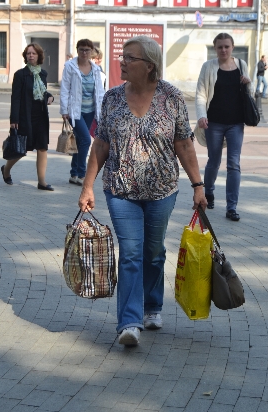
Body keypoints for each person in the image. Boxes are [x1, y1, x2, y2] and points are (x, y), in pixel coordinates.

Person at [78, 36, 207, 346]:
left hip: (162, 191)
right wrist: (87, 186)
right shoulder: (112, 99)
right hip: (120, 190)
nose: (122, 61)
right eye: (123, 57)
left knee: (153, 252)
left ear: (150, 66)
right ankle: (129, 322)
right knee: (132, 253)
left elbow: (184, 144)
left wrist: (198, 185)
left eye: (129, 58)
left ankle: (152, 305)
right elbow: (102, 144)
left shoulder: (172, 98)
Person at [195, 32, 253, 221]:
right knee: (213, 161)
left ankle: (231, 207)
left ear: (232, 47)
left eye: (227, 46)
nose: (223, 50)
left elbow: (248, 94)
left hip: (236, 123)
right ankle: (209, 192)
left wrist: (248, 83)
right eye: (220, 47)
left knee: (234, 164)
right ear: (215, 48)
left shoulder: (242, 66)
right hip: (214, 123)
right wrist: (202, 116)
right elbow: (201, 94)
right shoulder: (208, 66)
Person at [1, 43, 54, 190]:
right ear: (25, 56)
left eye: (33, 53)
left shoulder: (43, 74)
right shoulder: (20, 75)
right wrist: (14, 120)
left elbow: (42, 92)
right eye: (28, 53)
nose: (31, 55)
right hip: (26, 116)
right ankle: (6, 169)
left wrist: (50, 97)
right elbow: (16, 98)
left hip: (41, 116)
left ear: (39, 56)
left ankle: (42, 182)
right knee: (21, 148)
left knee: (42, 147)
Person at [60, 39, 105, 185]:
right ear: (77, 50)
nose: (84, 53)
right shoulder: (70, 66)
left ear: (92, 52)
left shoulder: (96, 69)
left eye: (87, 50)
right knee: (85, 140)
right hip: (75, 111)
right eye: (81, 49)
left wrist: (102, 110)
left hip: (91, 110)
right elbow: (65, 88)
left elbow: (99, 91)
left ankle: (73, 174)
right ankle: (81, 173)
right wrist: (64, 110)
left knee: (80, 141)